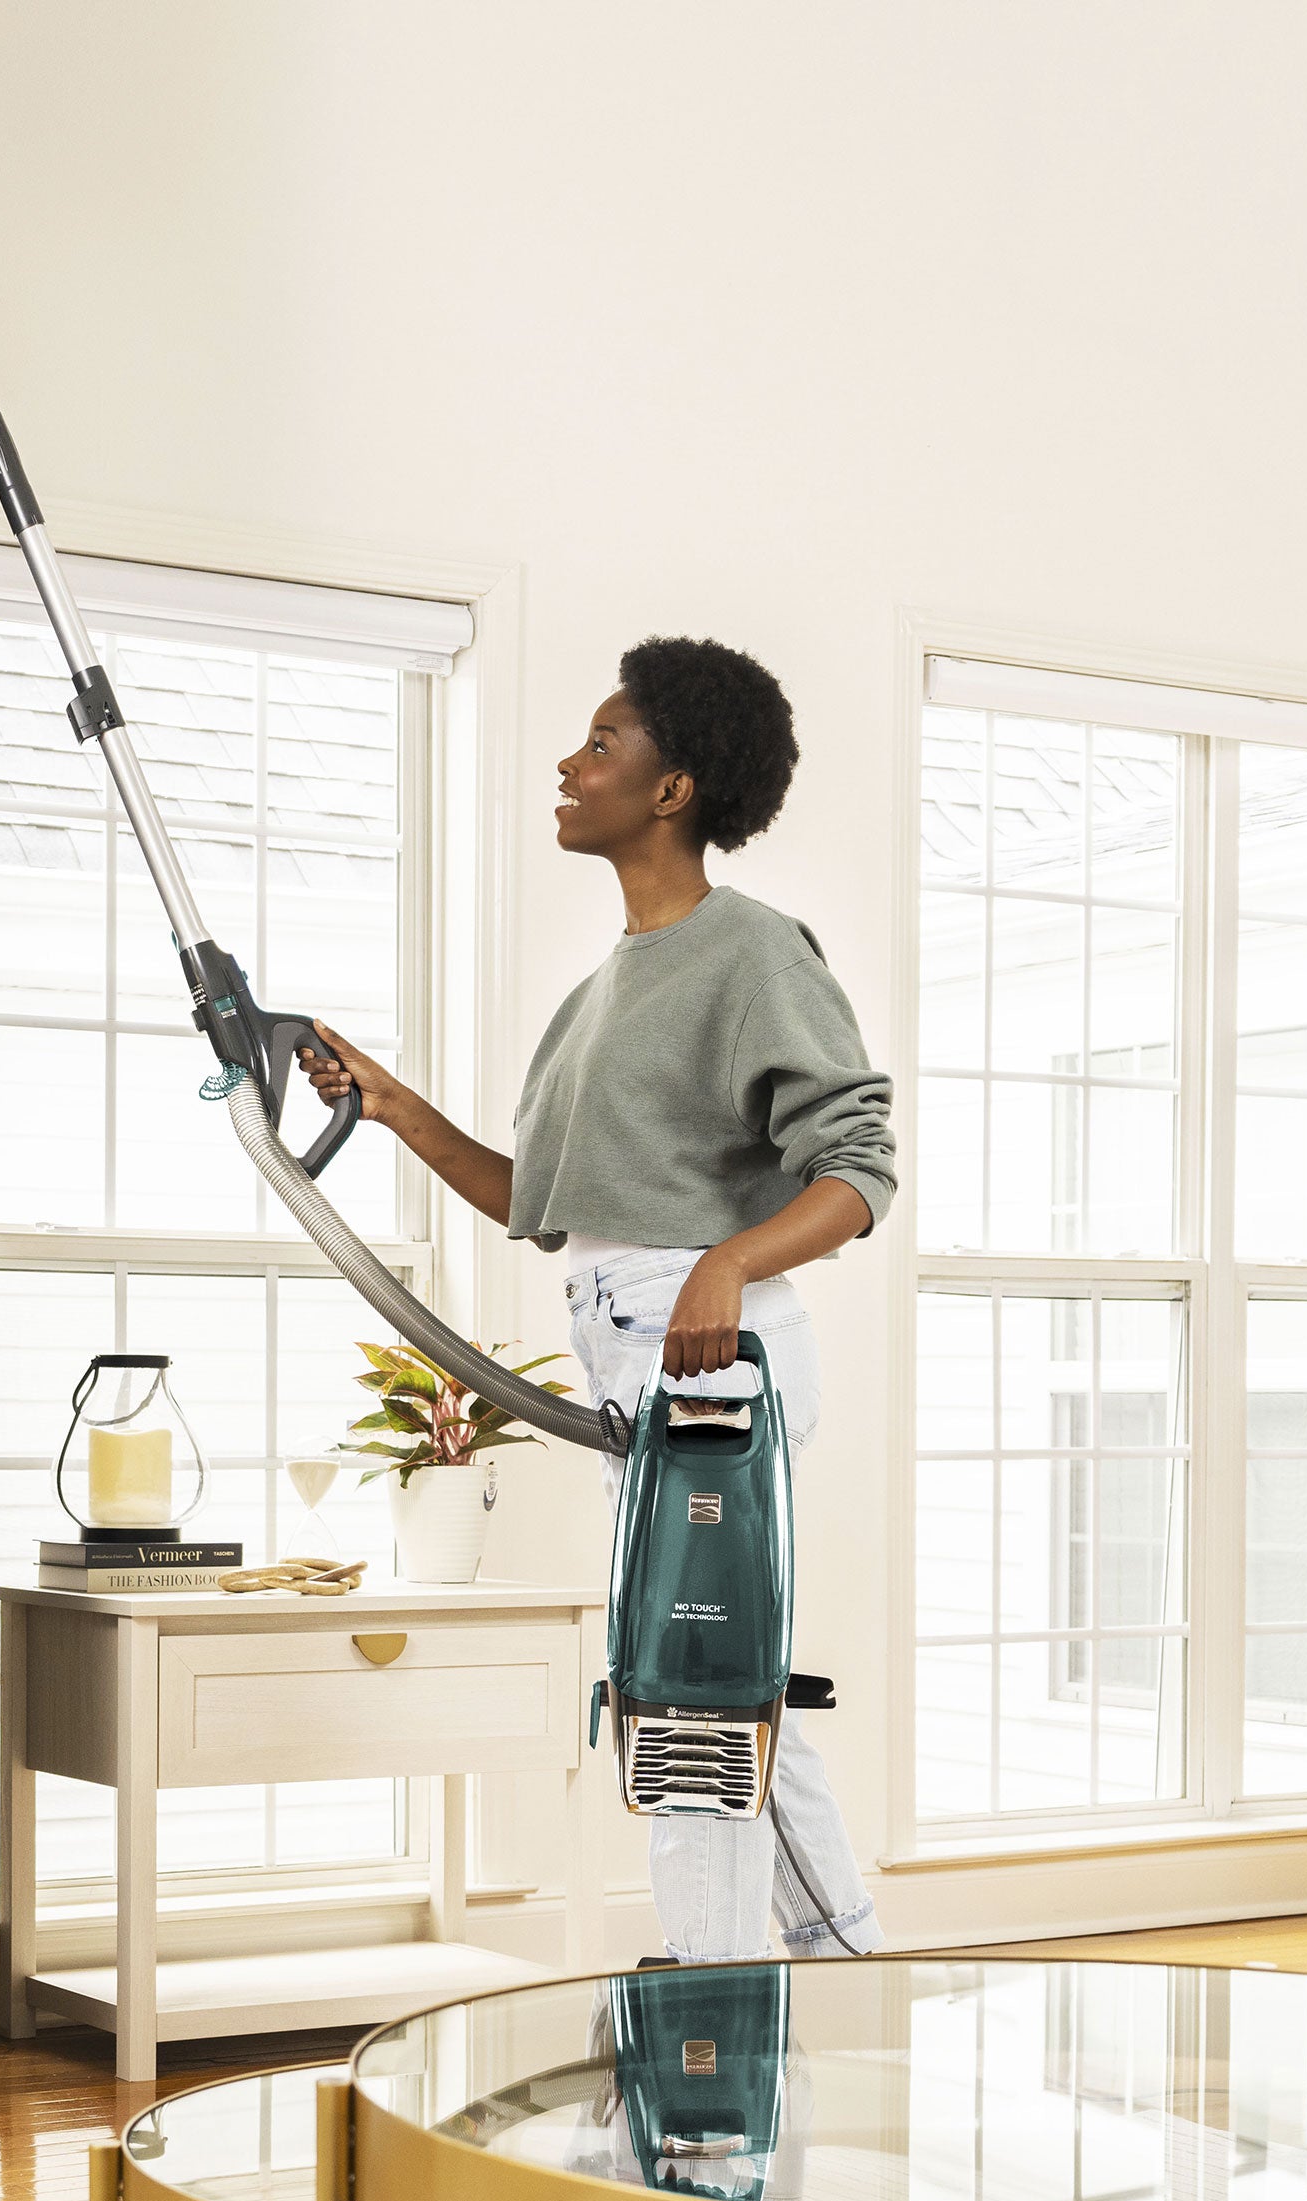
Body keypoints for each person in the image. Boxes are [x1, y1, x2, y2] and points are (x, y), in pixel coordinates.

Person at [298, 635, 893, 1964]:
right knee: (714, 1687)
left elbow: (860, 1169)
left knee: (693, 1696)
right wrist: (392, 1108)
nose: (570, 768)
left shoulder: (750, 952)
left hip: (716, 1372)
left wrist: (726, 1264)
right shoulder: (599, 993)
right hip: (643, 1359)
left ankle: (722, 2000)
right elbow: (553, 1202)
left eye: (601, 747)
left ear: (675, 788)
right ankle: (835, 1972)